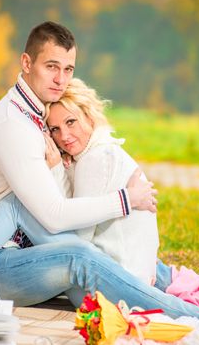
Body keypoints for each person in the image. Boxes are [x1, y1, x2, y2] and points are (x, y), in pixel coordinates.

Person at [0, 21, 199, 327]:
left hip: (11, 245)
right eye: (51, 66)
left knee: (96, 254)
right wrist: (126, 199)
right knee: (82, 256)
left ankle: (153, 281)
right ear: (26, 63)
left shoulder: (32, 112)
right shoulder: (14, 126)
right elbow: (54, 215)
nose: (60, 79)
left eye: (68, 69)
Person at [46, 77, 159, 286]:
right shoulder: (103, 150)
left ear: (89, 117)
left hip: (110, 286)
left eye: (71, 122)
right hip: (133, 277)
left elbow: (76, 240)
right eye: (55, 129)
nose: (64, 136)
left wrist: (55, 172)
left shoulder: (95, 159)